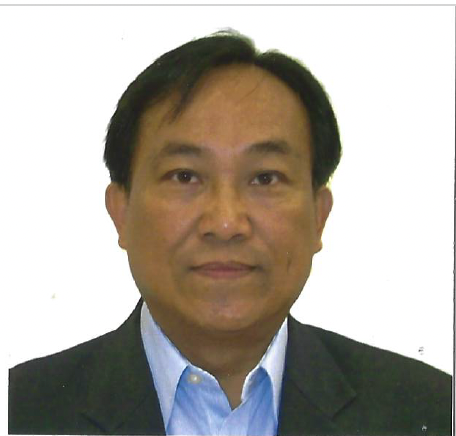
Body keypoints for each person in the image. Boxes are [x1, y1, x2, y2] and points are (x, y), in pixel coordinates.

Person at [9, 31, 451, 436]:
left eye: (265, 178)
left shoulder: (431, 410)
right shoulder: (19, 412)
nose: (225, 224)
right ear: (120, 211)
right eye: (184, 176)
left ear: (319, 216)